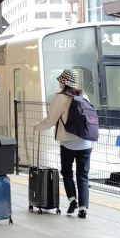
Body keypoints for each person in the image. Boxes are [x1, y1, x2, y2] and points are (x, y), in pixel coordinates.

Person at [34, 69, 95, 218]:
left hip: (68, 142)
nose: (59, 82)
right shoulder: (83, 95)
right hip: (87, 141)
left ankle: (72, 200)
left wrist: (37, 127)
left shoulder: (60, 98)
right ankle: (83, 208)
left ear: (64, 82)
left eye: (60, 80)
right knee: (83, 175)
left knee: (67, 172)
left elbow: (50, 120)